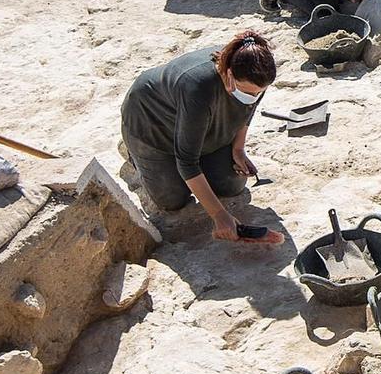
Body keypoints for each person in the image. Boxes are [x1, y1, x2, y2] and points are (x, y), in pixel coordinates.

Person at [120, 30, 287, 245]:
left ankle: (198, 154)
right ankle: (134, 154)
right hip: (152, 127)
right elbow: (187, 161)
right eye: (248, 92)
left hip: (202, 125)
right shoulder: (197, 85)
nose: (253, 97)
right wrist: (220, 216)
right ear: (227, 74)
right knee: (172, 200)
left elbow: (248, 111)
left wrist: (238, 149)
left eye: (258, 93)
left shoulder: (255, 75)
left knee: (231, 185)